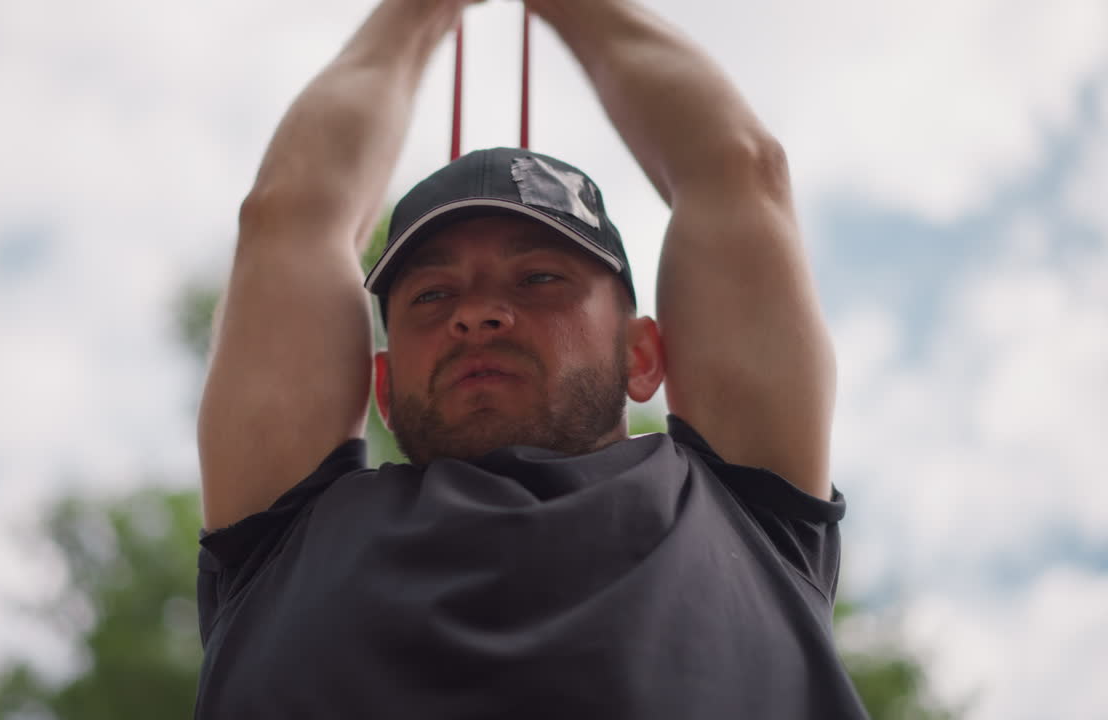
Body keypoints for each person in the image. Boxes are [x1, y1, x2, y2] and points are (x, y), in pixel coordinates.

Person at [194, 0, 868, 717]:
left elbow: (737, 166)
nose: (476, 312)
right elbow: (289, 212)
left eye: (539, 279)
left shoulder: (746, 507)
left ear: (642, 356)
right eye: (431, 294)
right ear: (381, 389)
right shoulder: (286, 538)